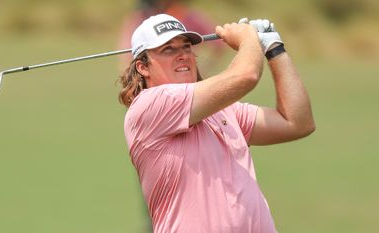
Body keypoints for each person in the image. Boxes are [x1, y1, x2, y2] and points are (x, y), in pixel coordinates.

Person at [118, 14, 315, 233]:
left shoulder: (224, 111)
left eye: (186, 47)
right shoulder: (150, 105)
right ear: (142, 67)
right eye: (168, 49)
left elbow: (297, 122)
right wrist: (247, 39)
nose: (183, 55)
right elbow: (246, 75)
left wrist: (274, 47)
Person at [117, 0, 223, 71]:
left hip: (186, 80)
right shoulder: (139, 18)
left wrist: (200, 69)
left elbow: (218, 45)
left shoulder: (190, 16)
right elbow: (127, 57)